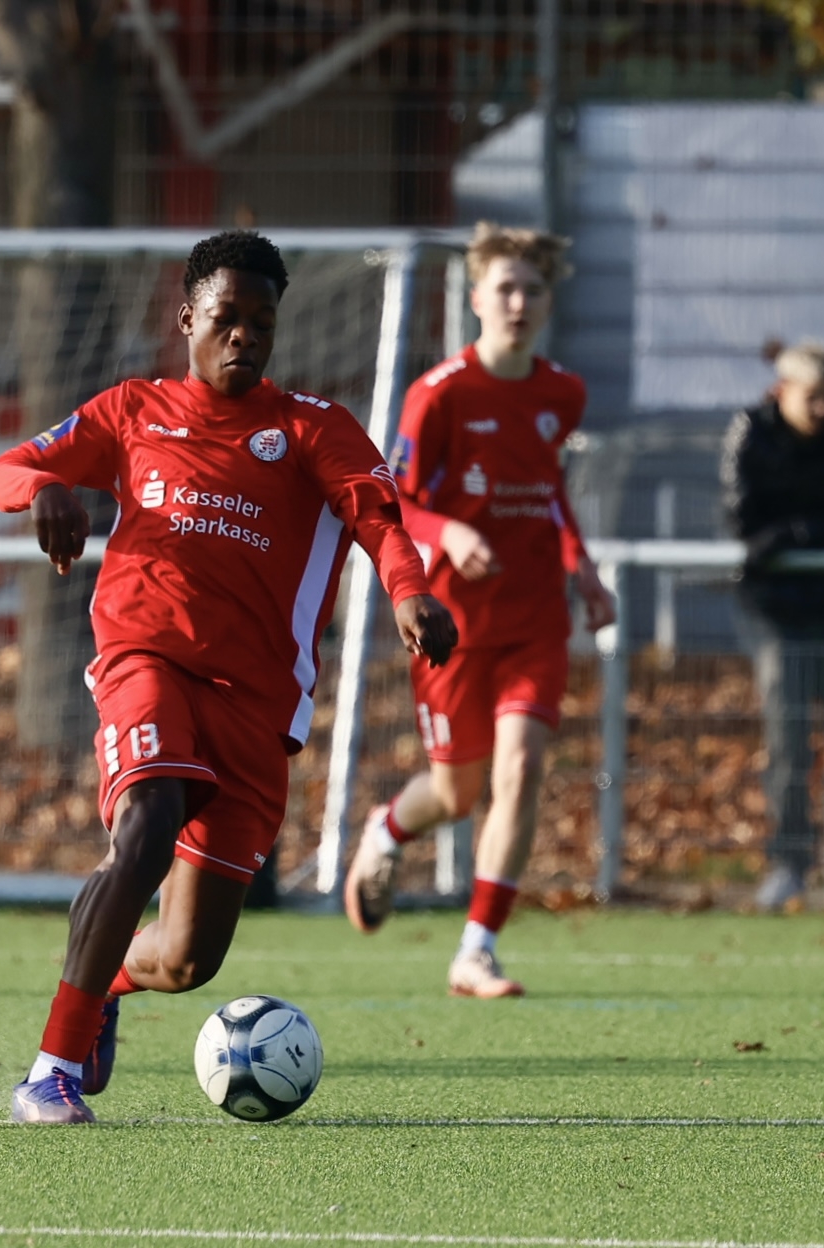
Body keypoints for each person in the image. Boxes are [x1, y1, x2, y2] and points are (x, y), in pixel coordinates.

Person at [0, 230, 457, 1124]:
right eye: (226, 318)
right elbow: (2, 470)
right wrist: (42, 489)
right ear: (187, 317)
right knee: (147, 823)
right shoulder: (133, 409)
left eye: (261, 323)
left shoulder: (312, 427)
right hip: (145, 661)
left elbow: (379, 520)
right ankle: (49, 1072)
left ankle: (105, 976)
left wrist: (410, 591)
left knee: (188, 959)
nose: (244, 336)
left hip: (256, 708)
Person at [342, 222, 615, 998]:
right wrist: (450, 533)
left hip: (536, 620)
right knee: (456, 794)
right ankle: (388, 827)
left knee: (521, 767)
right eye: (505, 288)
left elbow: (550, 491)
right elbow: (393, 504)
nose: (519, 303)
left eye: (533, 289)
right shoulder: (440, 394)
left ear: (549, 301)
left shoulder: (562, 393)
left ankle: (477, 949)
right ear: (476, 297)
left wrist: (583, 567)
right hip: (452, 625)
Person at [721, 340, 824, 912]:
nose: (822, 409)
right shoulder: (750, 432)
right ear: (781, 391)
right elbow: (743, 518)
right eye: (811, 397)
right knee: (789, 743)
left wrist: (794, 535)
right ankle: (789, 864)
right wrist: (799, 533)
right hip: (776, 612)